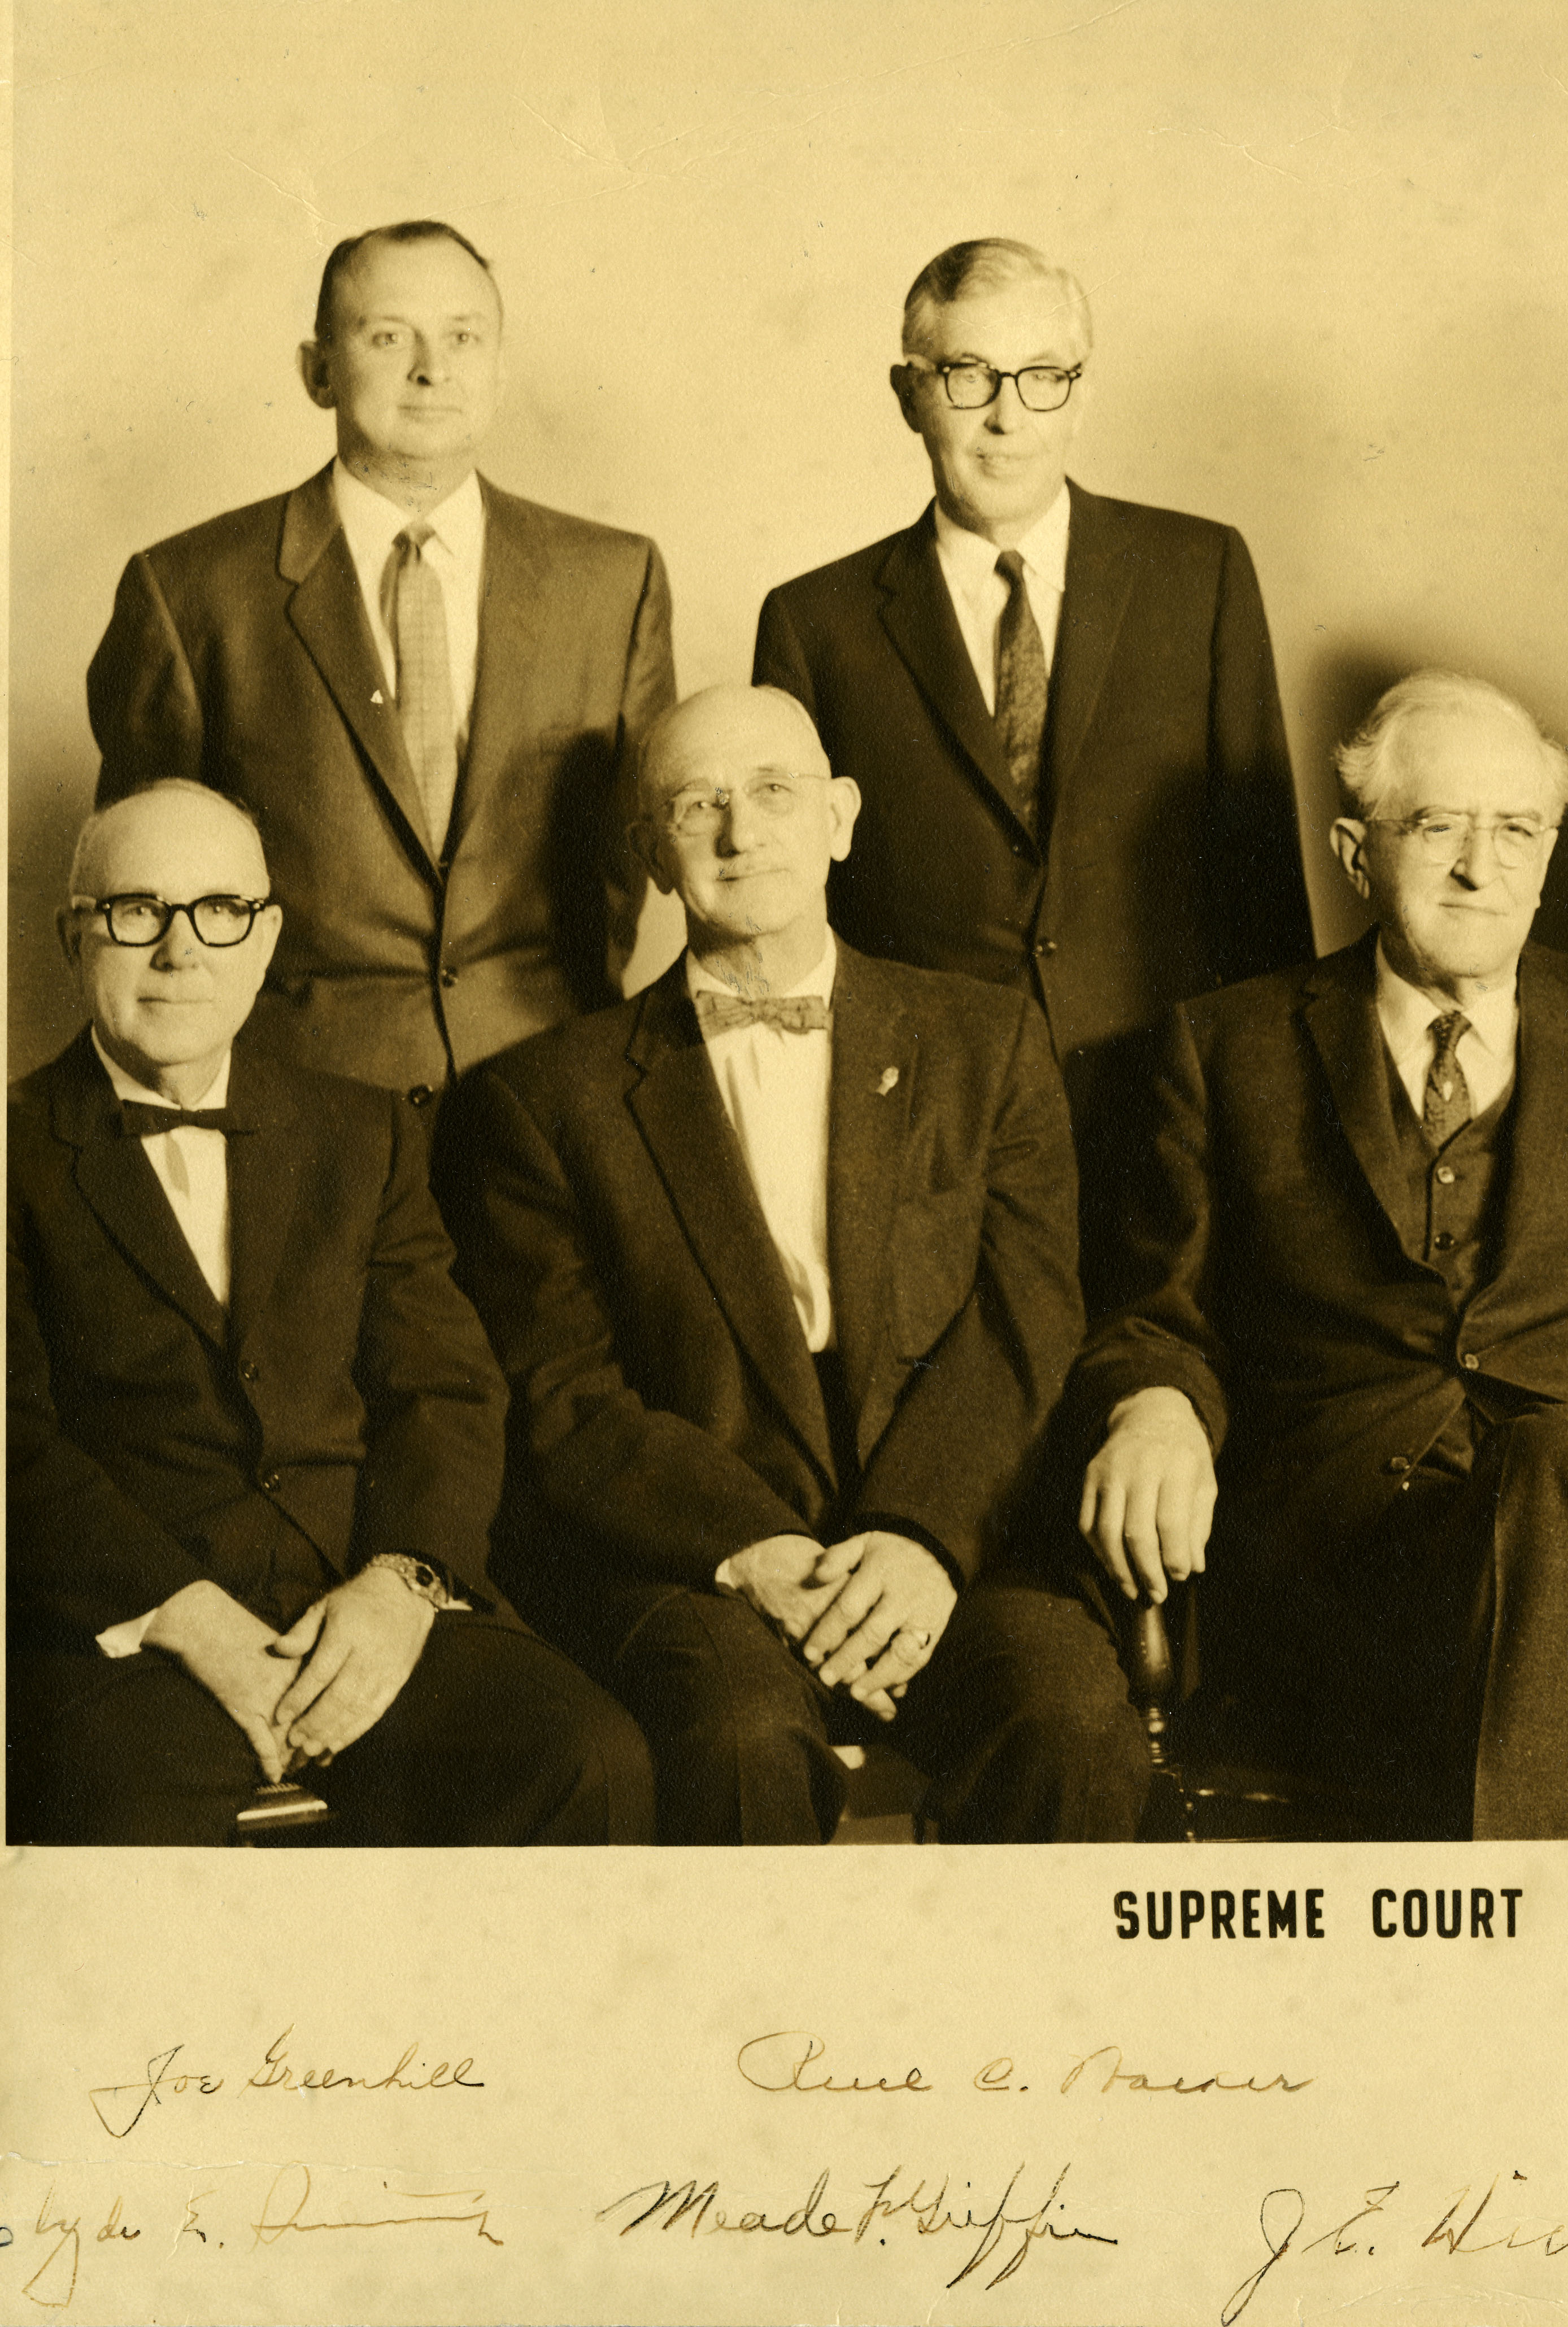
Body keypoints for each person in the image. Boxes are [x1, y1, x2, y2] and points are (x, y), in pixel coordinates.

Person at [1069, 672, 1568, 1839]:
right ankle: (1564, 1985)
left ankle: (1504, 1986)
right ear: (1353, 851)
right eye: (1437, 826)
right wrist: (1153, 1407)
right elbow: (1156, 1314)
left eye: (1517, 830)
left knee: (1560, 1467)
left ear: (1548, 854)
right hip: (1352, 1562)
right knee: (1521, 1555)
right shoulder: (1227, 1045)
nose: (1482, 869)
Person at [445, 686, 1143, 1844]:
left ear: (841, 817)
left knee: (1070, 1720)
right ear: (651, 858)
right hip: (700, 1554)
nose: (740, 829)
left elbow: (1026, 1321)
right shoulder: (541, 1100)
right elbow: (568, 1389)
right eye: (697, 805)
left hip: (947, 1535)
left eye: (775, 792)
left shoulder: (988, 1040)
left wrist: (922, 1537)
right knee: (735, 1745)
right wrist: (754, 1551)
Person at [8, 781, 648, 1845]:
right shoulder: (12, 1152)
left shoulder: (363, 1133)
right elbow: (11, 1445)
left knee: (589, 1761)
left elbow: (444, 1388)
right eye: (137, 912)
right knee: (116, 1818)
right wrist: (188, 1617)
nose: (182, 951)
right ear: (74, 935)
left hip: (358, 1606)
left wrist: (401, 1585)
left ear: (266, 943)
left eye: (221, 912)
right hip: (124, 1641)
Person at [752, 236, 1310, 1181]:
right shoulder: (817, 622)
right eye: (968, 375)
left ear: (1083, 392)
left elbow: (1262, 888)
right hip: (927, 1131)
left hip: (1173, 1116)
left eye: (1045, 375)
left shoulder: (1198, 574)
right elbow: (794, 915)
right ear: (909, 395)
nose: (1009, 417)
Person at [84, 220, 675, 1108]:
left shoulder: (614, 579)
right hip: (298, 1113)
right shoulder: (190, 591)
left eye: (465, 336)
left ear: (500, 365)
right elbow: (141, 894)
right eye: (388, 335)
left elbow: (629, 861)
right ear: (318, 370)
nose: (433, 368)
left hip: (555, 1099)